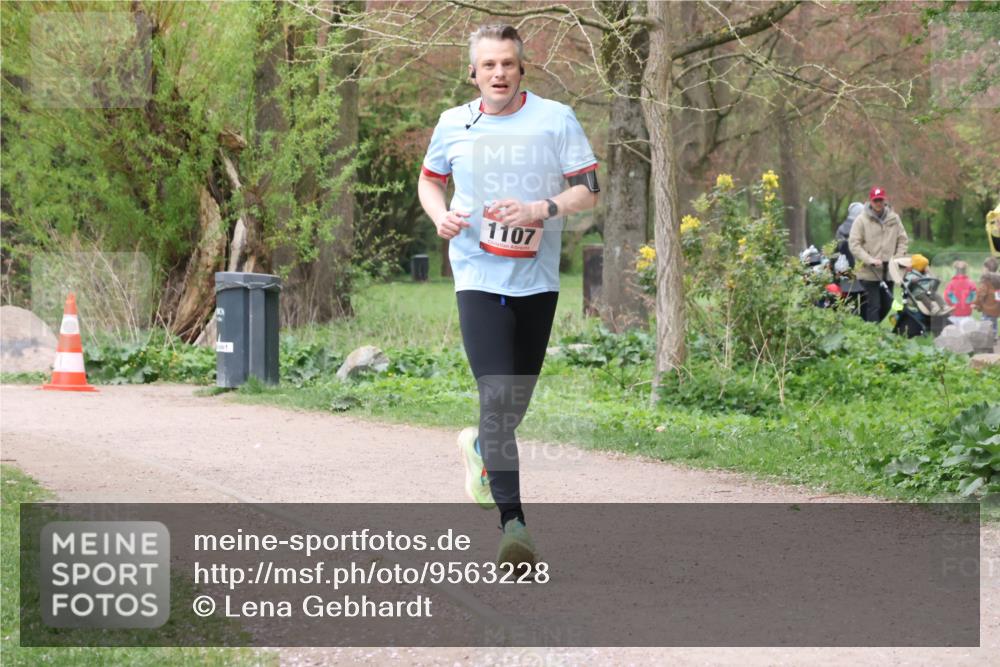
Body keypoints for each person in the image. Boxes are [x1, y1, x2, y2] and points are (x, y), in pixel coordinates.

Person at [417, 24, 599, 567]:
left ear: (522, 69)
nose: (499, 73)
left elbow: (588, 190)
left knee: (512, 405)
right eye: (489, 65)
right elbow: (430, 180)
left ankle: (479, 447)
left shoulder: (555, 119)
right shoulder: (453, 123)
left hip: (537, 281)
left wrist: (540, 209)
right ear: (473, 73)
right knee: (496, 395)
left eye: (508, 64)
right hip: (476, 274)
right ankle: (514, 526)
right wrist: (440, 216)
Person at [848, 186, 909, 324]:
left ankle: (867, 327)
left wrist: (897, 258)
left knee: (887, 305)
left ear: (884, 200)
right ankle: (872, 333)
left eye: (880, 200)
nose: (878, 203)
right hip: (869, 272)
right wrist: (869, 260)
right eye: (875, 200)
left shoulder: (894, 219)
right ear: (870, 201)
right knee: (874, 306)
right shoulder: (861, 220)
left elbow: (903, 240)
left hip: (888, 271)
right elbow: (854, 244)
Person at [943, 261, 977, 326]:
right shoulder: (971, 283)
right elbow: (974, 296)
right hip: (967, 315)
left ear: (955, 270)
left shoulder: (950, 284)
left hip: (953, 315)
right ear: (966, 271)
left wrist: (954, 303)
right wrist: (968, 302)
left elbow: (946, 298)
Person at [974, 257, 1000, 334]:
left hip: (987, 309)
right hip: (996, 309)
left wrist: (976, 304)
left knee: (984, 329)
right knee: (993, 326)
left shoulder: (986, 280)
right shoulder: (998, 280)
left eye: (983, 267)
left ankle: (987, 338)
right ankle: (994, 336)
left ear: (987, 268)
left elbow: (981, 294)